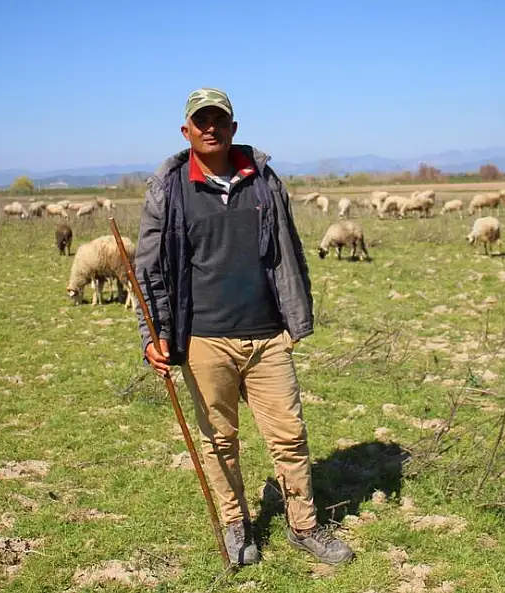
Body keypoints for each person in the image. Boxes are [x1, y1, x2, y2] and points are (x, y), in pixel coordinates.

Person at [132, 88, 354, 566]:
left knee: (290, 434)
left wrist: (295, 318)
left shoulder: (264, 180)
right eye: (200, 120)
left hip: (268, 334)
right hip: (204, 339)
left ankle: (305, 525)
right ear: (186, 130)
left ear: (233, 127)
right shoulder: (169, 189)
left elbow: (288, 252)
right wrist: (154, 335)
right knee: (218, 439)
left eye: (219, 119)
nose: (210, 127)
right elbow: (148, 270)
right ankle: (237, 524)